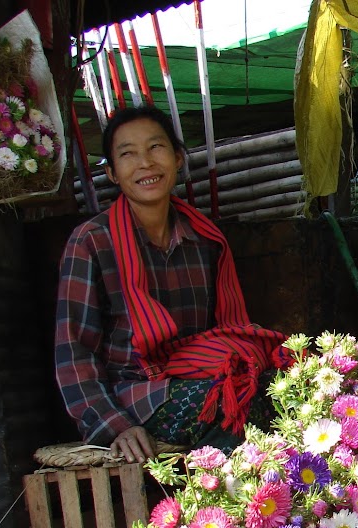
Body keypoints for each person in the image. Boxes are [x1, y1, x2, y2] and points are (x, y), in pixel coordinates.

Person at [55, 106, 292, 463]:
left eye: (155, 147)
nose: (145, 163)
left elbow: (223, 333)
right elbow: (74, 353)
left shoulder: (204, 240)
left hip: (196, 373)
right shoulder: (91, 242)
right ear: (113, 173)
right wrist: (114, 425)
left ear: (178, 158)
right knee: (228, 405)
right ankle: (222, 514)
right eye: (127, 154)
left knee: (287, 389)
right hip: (131, 395)